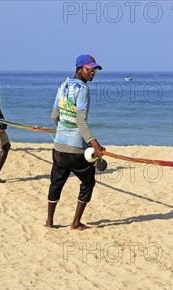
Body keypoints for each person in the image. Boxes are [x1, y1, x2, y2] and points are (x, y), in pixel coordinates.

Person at [45, 54, 105, 230]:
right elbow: (81, 121)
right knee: (88, 182)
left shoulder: (63, 85)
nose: (92, 73)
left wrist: (63, 129)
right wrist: (95, 144)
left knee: (56, 182)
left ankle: (49, 221)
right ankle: (76, 223)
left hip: (58, 147)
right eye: (89, 69)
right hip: (76, 149)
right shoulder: (83, 90)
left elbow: (54, 116)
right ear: (79, 69)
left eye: (94, 70)